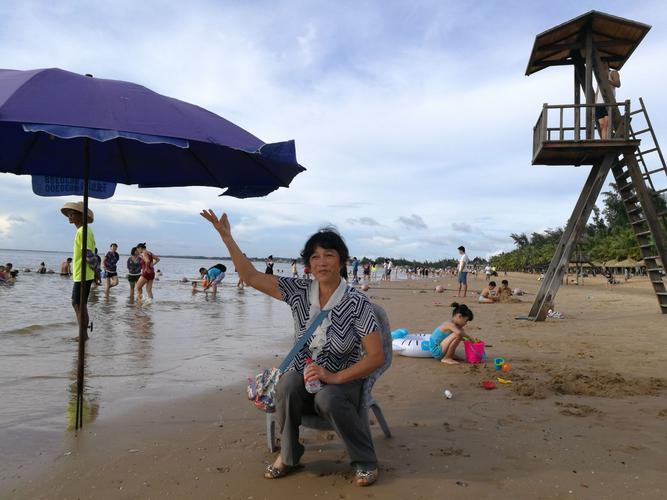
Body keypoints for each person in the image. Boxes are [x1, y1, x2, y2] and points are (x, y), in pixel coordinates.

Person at [200, 209, 384, 487]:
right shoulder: (298, 291)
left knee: (327, 399)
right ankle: (289, 454)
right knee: (286, 386)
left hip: (343, 382)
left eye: (329, 255)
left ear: (342, 261)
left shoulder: (357, 303)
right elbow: (250, 276)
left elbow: (376, 356)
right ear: (308, 263)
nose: (321, 262)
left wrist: (332, 377)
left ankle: (364, 459)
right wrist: (227, 238)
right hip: (304, 377)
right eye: (314, 257)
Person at [61, 201, 96, 339]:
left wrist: (96, 272)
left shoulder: (84, 231)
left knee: (77, 303)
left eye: (72, 213)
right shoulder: (82, 231)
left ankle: (83, 335)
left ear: (81, 215)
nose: (69, 216)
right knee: (81, 304)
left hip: (83, 274)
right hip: (82, 274)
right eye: (68, 214)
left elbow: (88, 253)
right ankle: (84, 335)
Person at [595, 60, 621, 140]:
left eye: (604, 62)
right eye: (601, 63)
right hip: (599, 103)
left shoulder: (613, 72)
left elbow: (618, 84)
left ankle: (606, 140)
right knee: (602, 125)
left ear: (607, 63)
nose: (602, 65)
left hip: (608, 101)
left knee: (607, 123)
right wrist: (594, 103)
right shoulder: (600, 75)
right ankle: (603, 140)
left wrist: (607, 81)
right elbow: (597, 90)